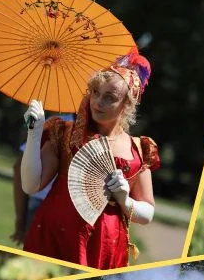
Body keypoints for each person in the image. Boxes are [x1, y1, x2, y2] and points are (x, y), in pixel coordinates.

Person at [20, 48, 159, 268]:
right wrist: (34, 133)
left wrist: (125, 200)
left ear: (127, 105)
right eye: (95, 92)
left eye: (109, 97)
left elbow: (148, 213)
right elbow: (31, 185)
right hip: (53, 237)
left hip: (104, 248)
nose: (97, 102)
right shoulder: (65, 133)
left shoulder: (138, 149)